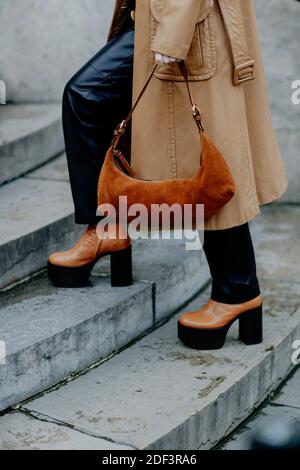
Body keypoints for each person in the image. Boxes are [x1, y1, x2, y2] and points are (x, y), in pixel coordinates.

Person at [48, 0, 288, 350]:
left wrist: (173, 35)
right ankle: (109, 225)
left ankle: (238, 291)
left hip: (190, 25)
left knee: (212, 164)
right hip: (158, 19)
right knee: (88, 95)